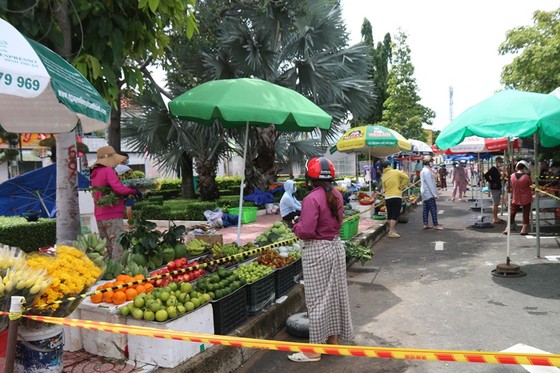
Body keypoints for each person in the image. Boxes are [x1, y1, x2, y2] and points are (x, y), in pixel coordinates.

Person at [290, 157, 353, 362]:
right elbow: (337, 222)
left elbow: (306, 231)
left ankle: (314, 350)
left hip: (317, 252)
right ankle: (332, 342)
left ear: (310, 178)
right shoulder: (336, 195)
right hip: (334, 248)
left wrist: (295, 226)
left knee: (316, 302)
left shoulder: (311, 199)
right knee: (334, 298)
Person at [90, 146, 139, 260]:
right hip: (112, 214)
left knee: (107, 247)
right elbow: (118, 189)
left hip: (99, 215)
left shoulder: (95, 173)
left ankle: (109, 271)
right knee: (117, 244)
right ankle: (118, 272)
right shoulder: (108, 170)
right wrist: (133, 191)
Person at [503, 161, 533, 236]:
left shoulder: (512, 176)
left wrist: (506, 196)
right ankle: (523, 229)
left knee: (512, 213)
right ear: (524, 168)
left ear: (517, 167)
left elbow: (509, 186)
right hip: (526, 197)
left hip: (515, 197)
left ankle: (507, 228)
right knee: (526, 213)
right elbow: (531, 186)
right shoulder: (526, 176)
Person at [381, 160, 409, 238]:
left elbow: (384, 188)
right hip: (396, 196)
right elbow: (406, 177)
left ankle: (392, 230)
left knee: (389, 215)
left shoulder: (383, 176)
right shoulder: (396, 172)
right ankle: (391, 231)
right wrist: (401, 185)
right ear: (390, 166)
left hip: (387, 197)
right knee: (395, 215)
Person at [420, 157, 443, 230]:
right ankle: (435, 225)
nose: (432, 163)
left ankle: (425, 224)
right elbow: (430, 184)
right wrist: (435, 194)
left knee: (426, 209)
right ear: (428, 162)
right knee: (433, 209)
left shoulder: (425, 170)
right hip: (428, 193)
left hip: (426, 192)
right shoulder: (426, 171)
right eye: (431, 161)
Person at [115, 152, 135, 223]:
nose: (127, 160)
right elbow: (133, 180)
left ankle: (119, 223)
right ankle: (131, 223)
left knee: (119, 208)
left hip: (118, 191)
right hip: (128, 191)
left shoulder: (115, 169)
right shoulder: (128, 170)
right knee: (128, 207)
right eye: (126, 159)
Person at [484, 156, 505, 224]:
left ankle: (496, 217)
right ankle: (495, 218)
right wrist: (492, 182)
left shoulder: (498, 169)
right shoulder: (493, 168)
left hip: (498, 187)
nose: (501, 163)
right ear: (497, 162)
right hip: (494, 188)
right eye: (500, 162)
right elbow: (486, 175)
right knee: (495, 203)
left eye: (502, 162)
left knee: (497, 203)